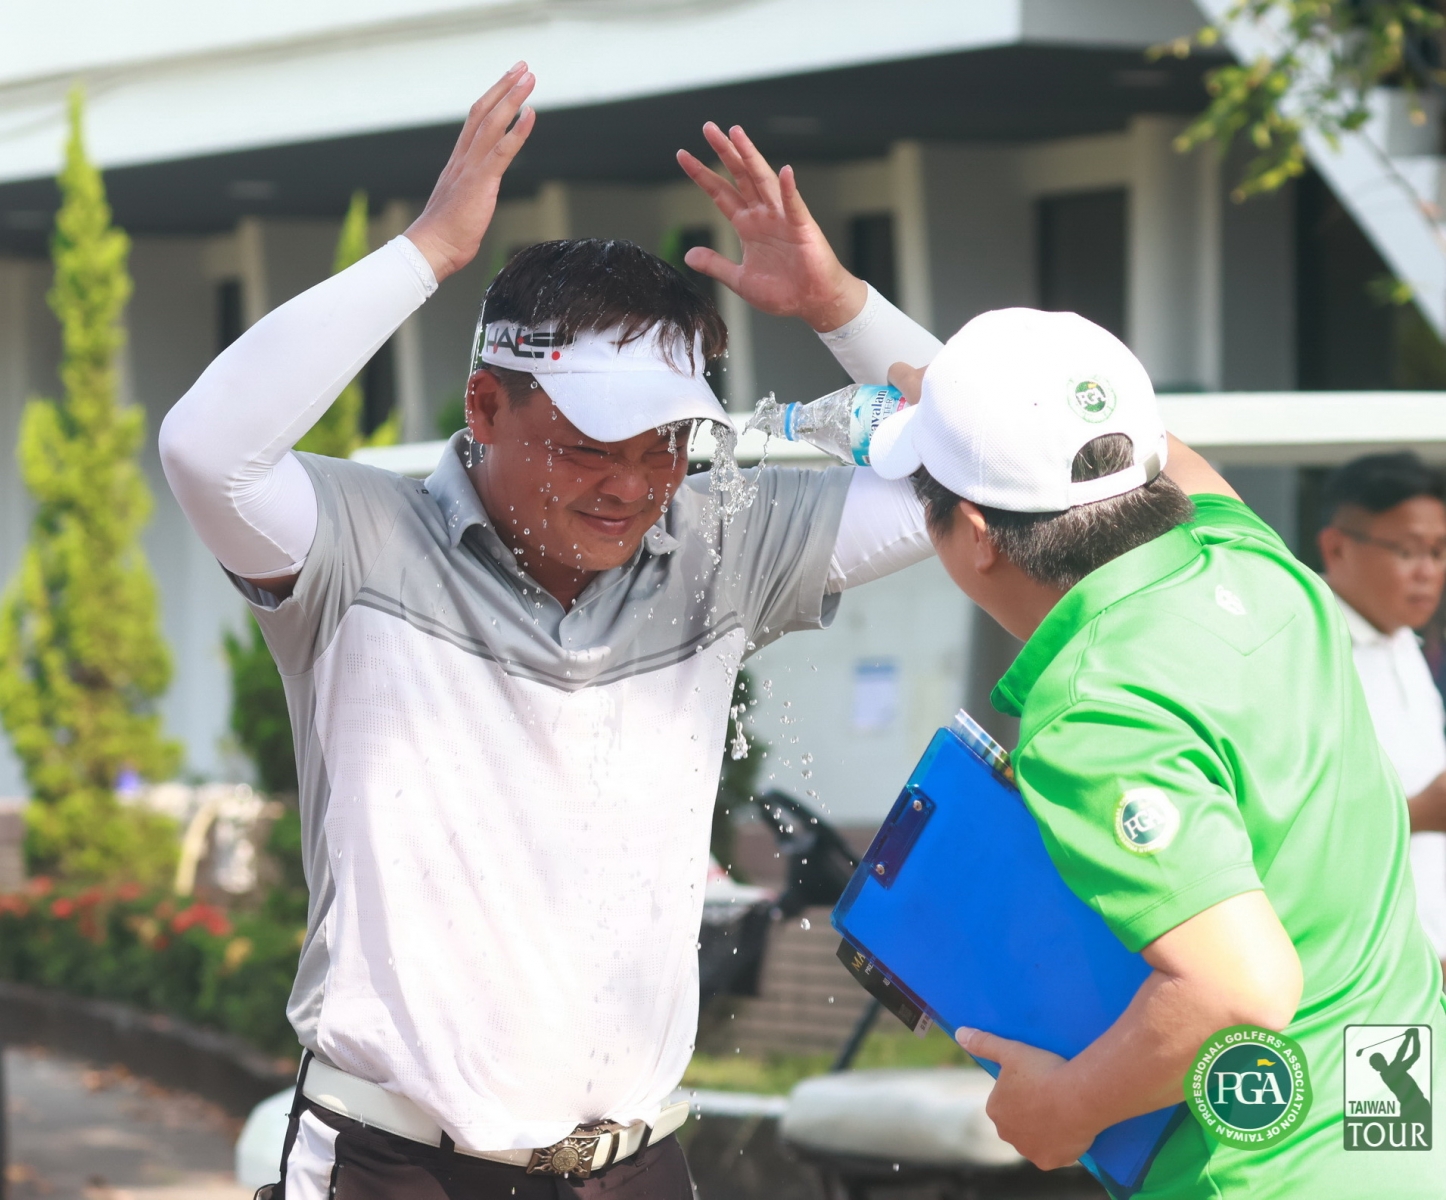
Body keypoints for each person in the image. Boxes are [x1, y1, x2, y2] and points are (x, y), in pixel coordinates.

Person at [159, 66, 941, 1200]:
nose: (632, 487)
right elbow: (204, 449)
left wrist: (839, 306)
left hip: (637, 1164)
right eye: (586, 448)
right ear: (484, 406)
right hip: (393, 1166)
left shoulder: (721, 541)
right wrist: (426, 253)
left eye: (664, 446)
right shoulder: (357, 545)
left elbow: (989, 471)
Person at [865, 312, 1444, 1196]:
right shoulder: (1249, 559)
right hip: (1400, 1134)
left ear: (976, 533)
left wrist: (1066, 1108)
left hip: (1270, 1174)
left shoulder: (1094, 706)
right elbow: (1140, 446)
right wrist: (857, 320)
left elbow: (1240, 990)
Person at [1318, 452, 1446, 980]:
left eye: (1438, 551)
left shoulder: (1404, 643)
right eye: (1408, 550)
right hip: (1368, 968)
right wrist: (1420, 811)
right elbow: (1296, 822)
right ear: (1337, 547)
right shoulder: (1307, 648)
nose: (1427, 572)